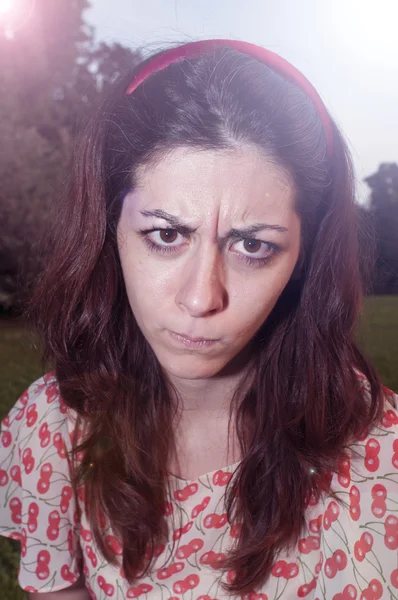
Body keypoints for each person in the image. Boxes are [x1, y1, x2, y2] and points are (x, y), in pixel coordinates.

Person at [0, 38, 397, 600]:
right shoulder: (54, 427)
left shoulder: (381, 452)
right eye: (166, 234)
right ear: (109, 230)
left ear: (304, 259)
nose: (200, 298)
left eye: (253, 245)